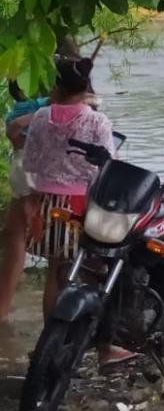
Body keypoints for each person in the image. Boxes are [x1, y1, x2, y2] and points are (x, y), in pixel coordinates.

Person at [21, 56, 134, 366]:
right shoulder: (97, 121)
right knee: (98, 272)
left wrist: (33, 203)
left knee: (55, 274)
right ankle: (103, 347)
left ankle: (48, 343)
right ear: (85, 87)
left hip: (48, 205)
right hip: (82, 206)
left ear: (56, 85)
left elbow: (30, 164)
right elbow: (108, 166)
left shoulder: (41, 118)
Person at [0, 82, 50, 320]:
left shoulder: (42, 108)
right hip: (33, 171)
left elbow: (14, 132)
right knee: (18, 236)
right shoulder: (47, 107)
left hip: (30, 170)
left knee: (17, 237)